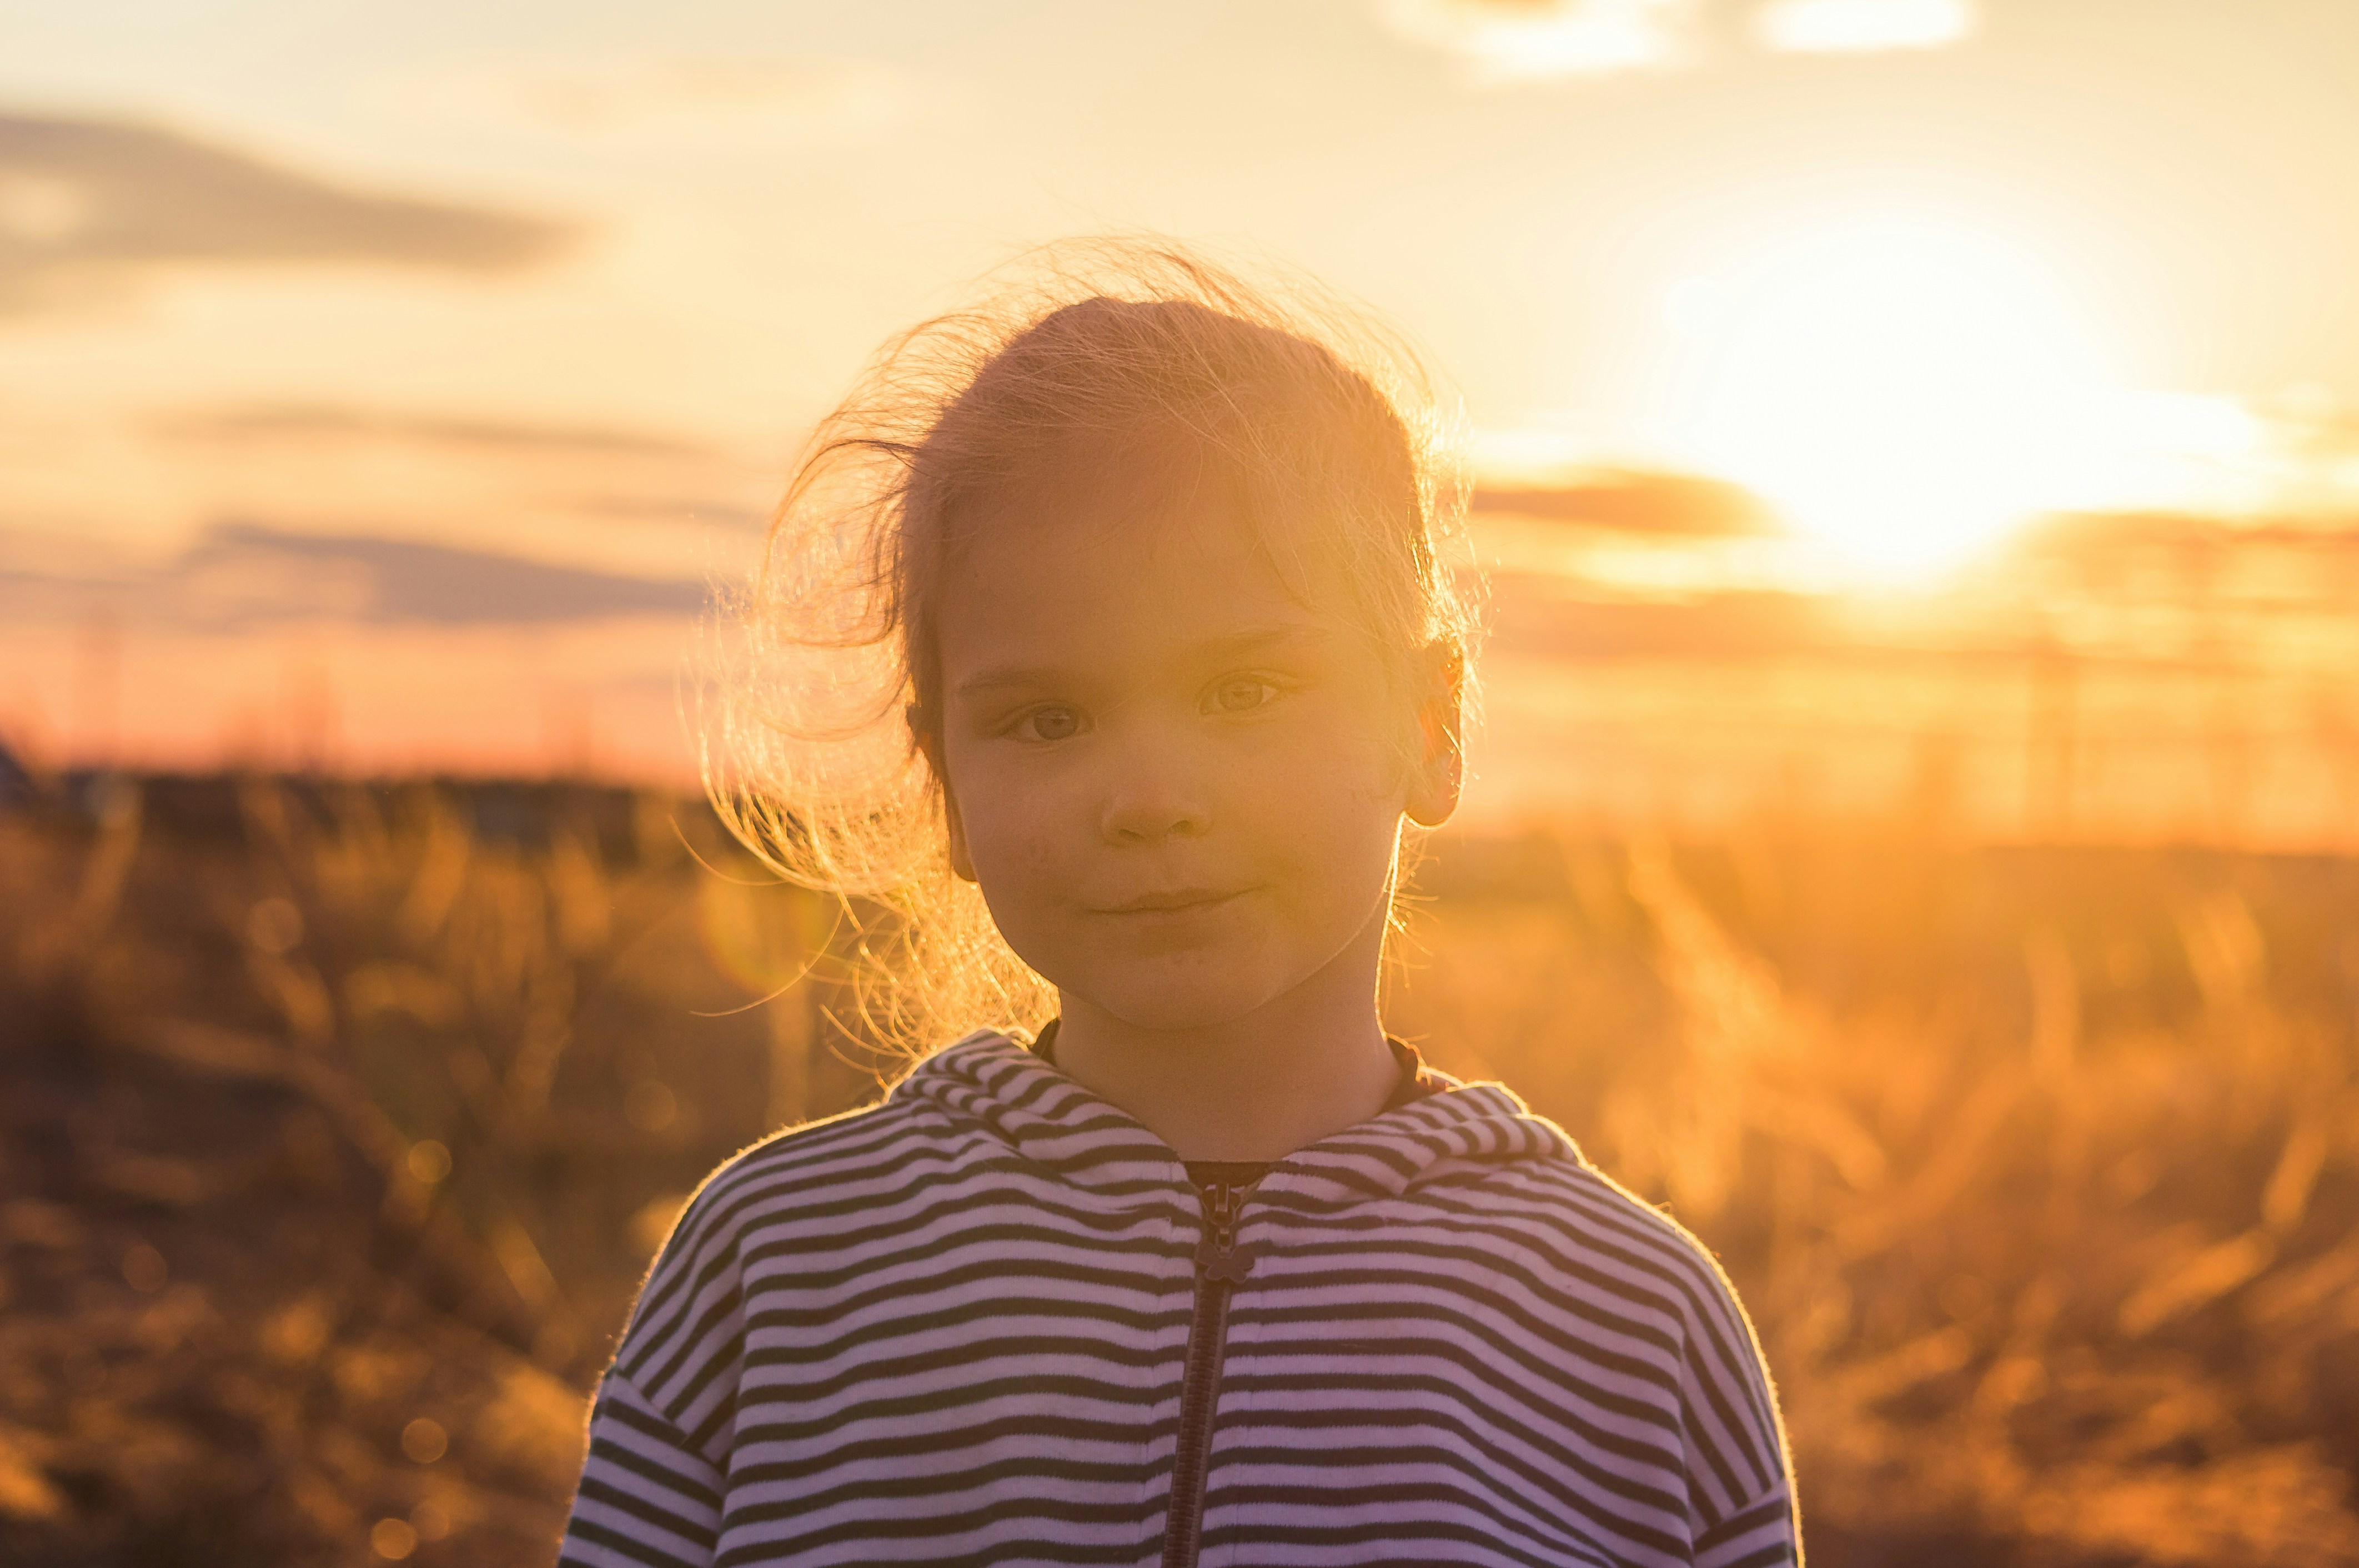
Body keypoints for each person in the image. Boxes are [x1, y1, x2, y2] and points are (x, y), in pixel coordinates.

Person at [559, 240, 1799, 1568]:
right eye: (1049, 716)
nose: (1148, 793)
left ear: (1431, 722)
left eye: (1244, 691)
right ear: (948, 786)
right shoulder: (782, 1262)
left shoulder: (1628, 1318)